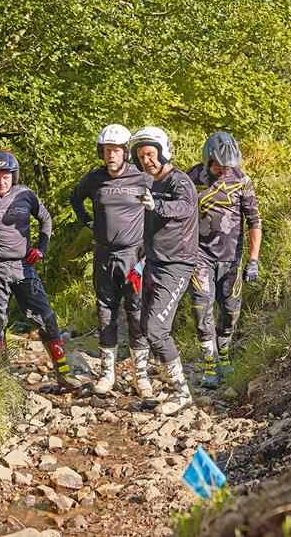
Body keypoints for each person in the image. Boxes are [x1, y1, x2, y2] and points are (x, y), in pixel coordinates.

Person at [0, 148, 81, 391]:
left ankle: (63, 373)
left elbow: (46, 218)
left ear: (15, 175)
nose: (2, 181)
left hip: (24, 267)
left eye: (7, 175)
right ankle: (0, 379)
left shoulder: (26, 196)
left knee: (46, 317)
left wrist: (41, 248)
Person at [70, 124, 154, 397]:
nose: (111, 156)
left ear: (125, 153)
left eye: (116, 151)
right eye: (107, 151)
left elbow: (160, 204)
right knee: (105, 312)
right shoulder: (94, 179)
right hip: (104, 255)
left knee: (137, 313)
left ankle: (141, 376)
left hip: (133, 257)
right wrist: (89, 223)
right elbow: (76, 199)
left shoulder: (141, 178)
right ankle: (107, 374)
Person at [129, 127, 199, 415]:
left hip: (177, 264)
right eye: (141, 156)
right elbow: (155, 224)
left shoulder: (180, 182)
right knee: (145, 325)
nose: (147, 160)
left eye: (150, 153)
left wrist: (157, 204)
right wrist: (142, 250)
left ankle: (182, 392)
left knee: (157, 330)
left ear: (163, 150)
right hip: (154, 261)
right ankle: (151, 380)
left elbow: (183, 208)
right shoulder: (152, 183)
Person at [186, 132, 262, 388]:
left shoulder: (241, 180)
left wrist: (253, 259)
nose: (223, 168)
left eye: (228, 164)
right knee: (201, 308)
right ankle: (210, 364)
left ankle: (225, 356)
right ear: (209, 158)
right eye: (219, 164)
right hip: (200, 256)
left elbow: (254, 220)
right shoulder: (192, 177)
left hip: (231, 258)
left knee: (230, 311)